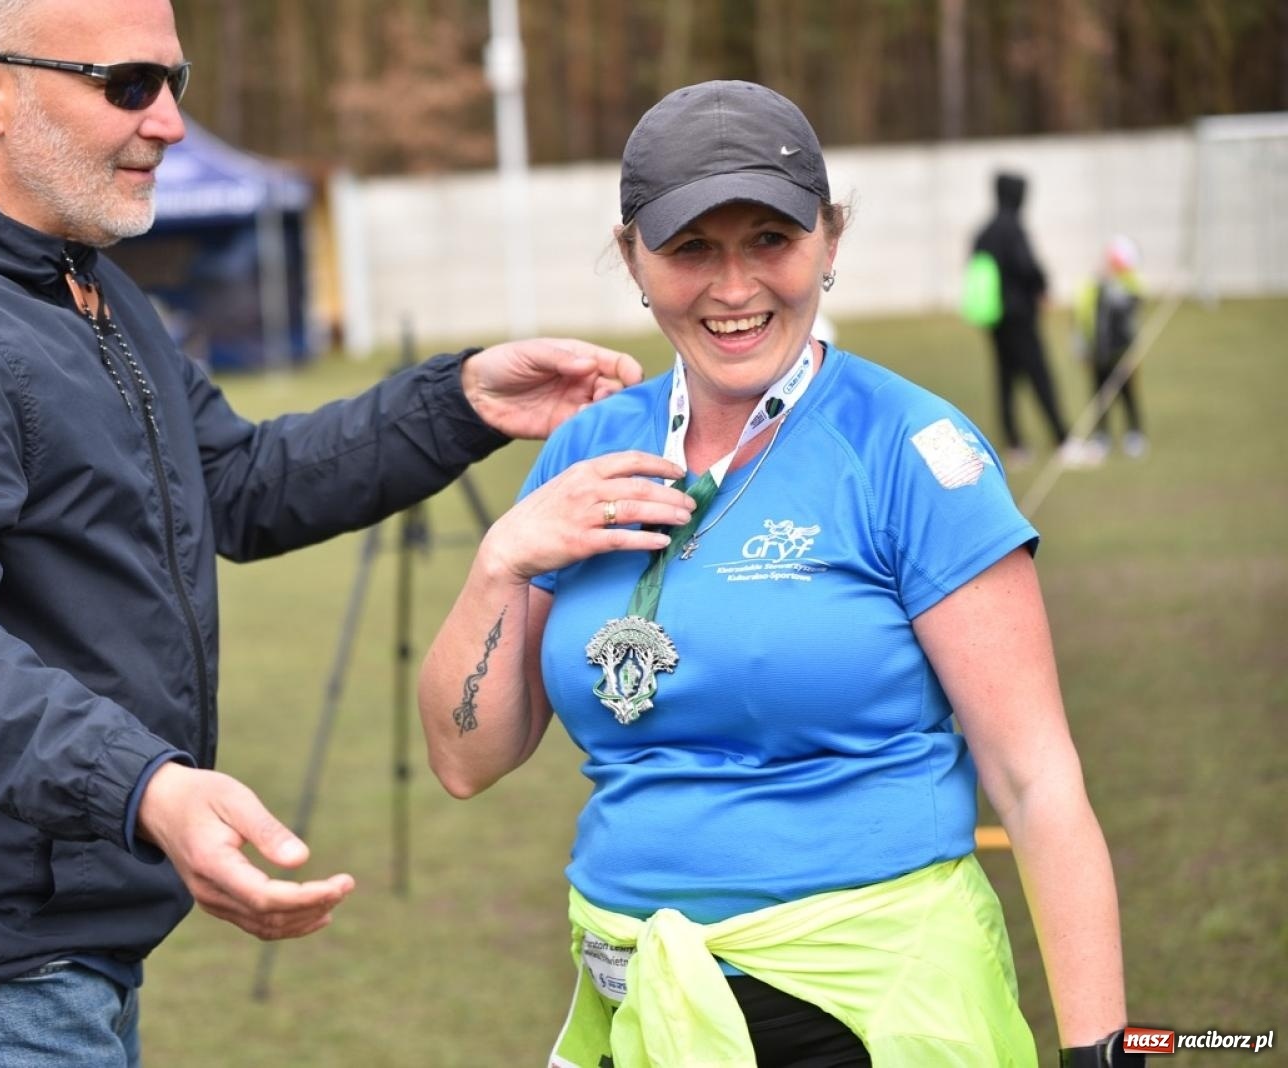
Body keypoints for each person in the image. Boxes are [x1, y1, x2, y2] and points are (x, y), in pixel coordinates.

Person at [0, 1, 641, 1064]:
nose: (170, 121)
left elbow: (232, 481)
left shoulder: (74, 278)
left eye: (175, 82)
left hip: (47, 963)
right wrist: (143, 784)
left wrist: (456, 404)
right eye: (128, 84)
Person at [420, 81, 1140, 1067]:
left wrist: (1104, 1050)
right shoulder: (588, 452)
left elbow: (1034, 777)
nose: (733, 288)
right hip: (638, 1014)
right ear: (632, 256)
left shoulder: (909, 449)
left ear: (829, 242)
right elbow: (466, 762)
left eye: (769, 239)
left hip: (877, 1019)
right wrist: (499, 561)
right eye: (690, 249)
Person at [972, 172, 1093, 469]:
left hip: (994, 317)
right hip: (1019, 316)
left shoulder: (984, 231)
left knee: (1005, 378)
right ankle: (1063, 439)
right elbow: (1027, 267)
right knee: (1039, 374)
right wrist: (1041, 288)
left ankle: (1014, 444)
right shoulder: (1013, 229)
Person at [1074, 235, 1147, 458]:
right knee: (1099, 395)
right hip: (1098, 351)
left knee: (1127, 393)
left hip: (1121, 352)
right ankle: (1102, 435)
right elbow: (1083, 313)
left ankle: (1134, 433)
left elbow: (1134, 306)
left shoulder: (1129, 284)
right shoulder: (1094, 283)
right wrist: (1082, 346)